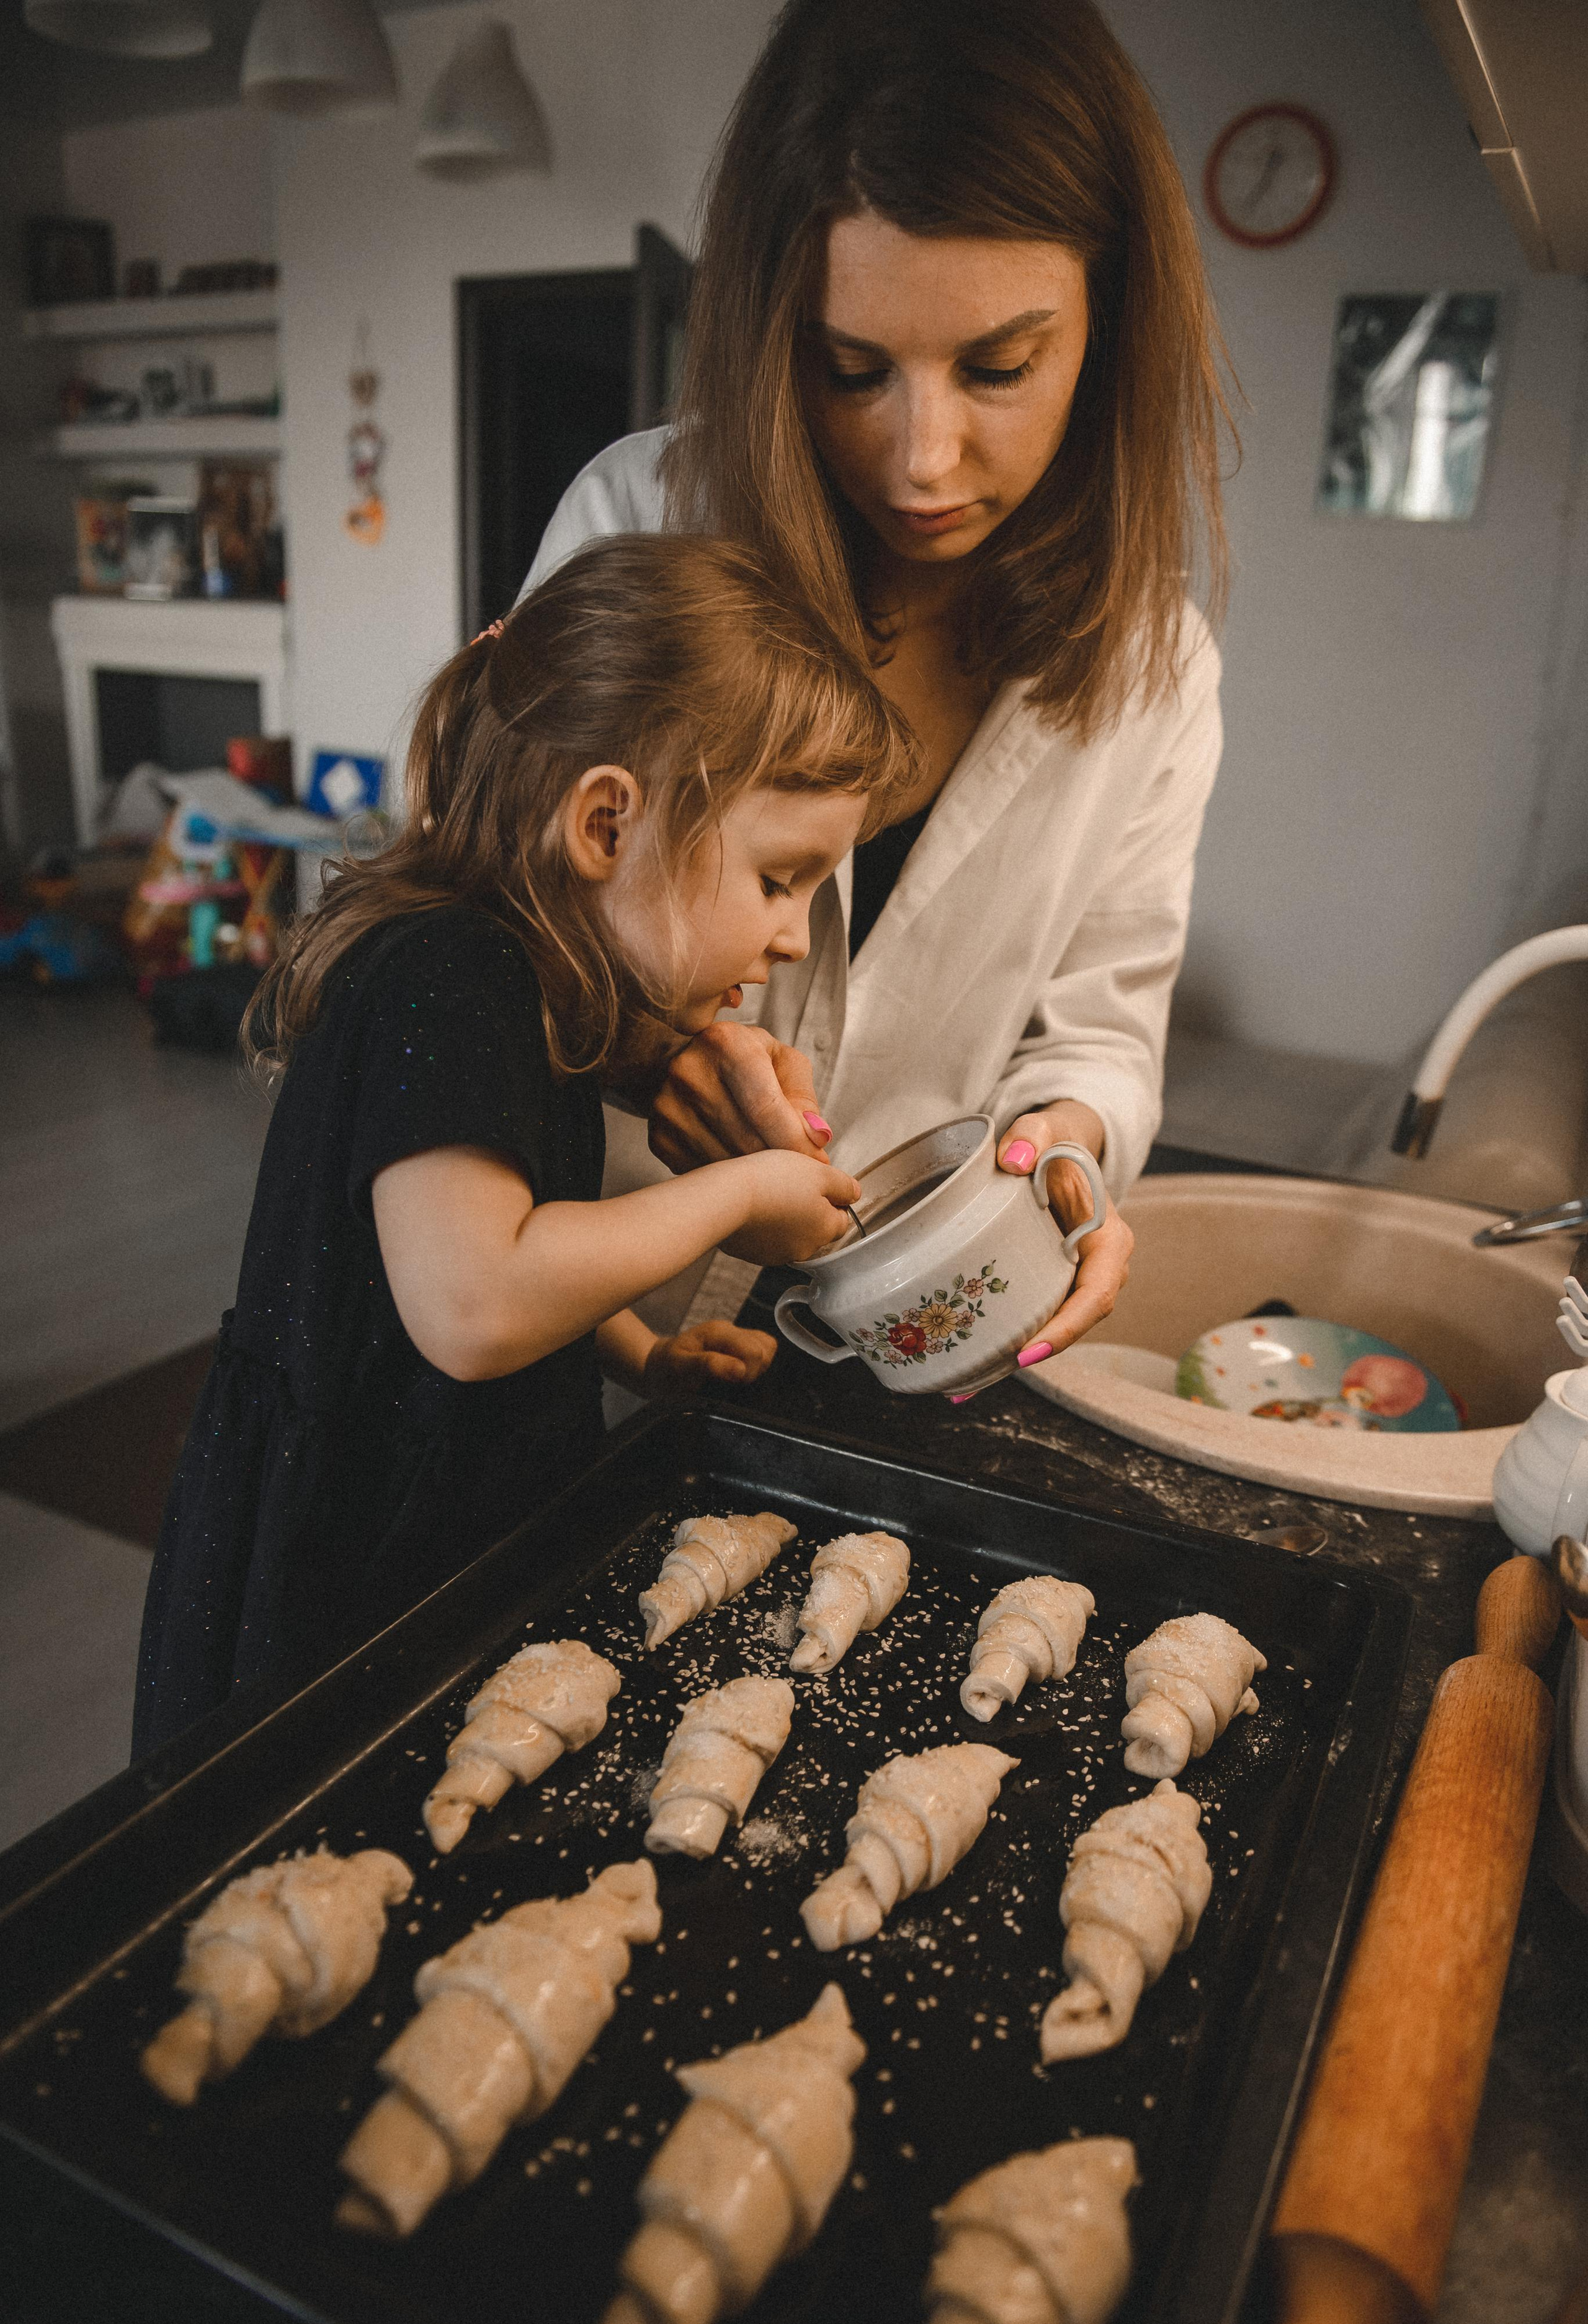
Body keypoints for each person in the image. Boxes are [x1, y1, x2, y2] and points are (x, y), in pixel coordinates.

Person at [524, 0, 1232, 1370]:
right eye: (851, 370)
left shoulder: (1155, 669)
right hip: (567, 1327)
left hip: (897, 1339)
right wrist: (641, 1051)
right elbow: (477, 923)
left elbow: (1098, 1031)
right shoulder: (633, 529)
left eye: (999, 367)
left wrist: (1064, 1153)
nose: (921, 459)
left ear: (1111, 326)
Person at [132, 535, 912, 1755]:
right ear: (607, 820)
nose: (793, 939)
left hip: (438, 1504)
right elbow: (474, 1300)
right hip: (344, 1553)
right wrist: (732, 1197)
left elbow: (519, 1227)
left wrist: (637, 1355)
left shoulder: (537, 982)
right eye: (779, 879)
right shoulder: (450, 976)